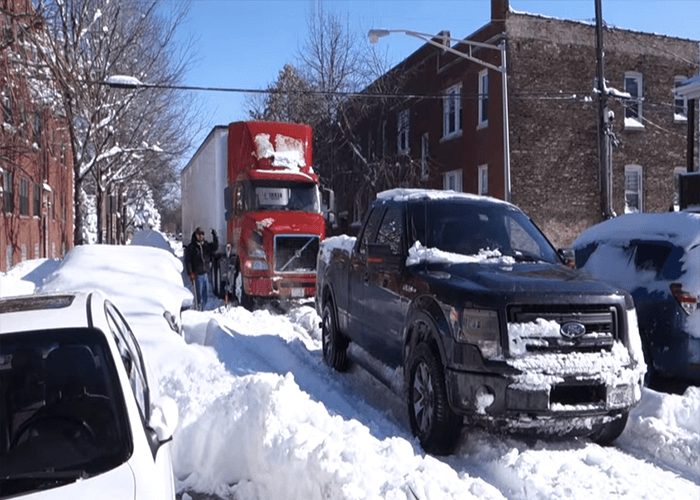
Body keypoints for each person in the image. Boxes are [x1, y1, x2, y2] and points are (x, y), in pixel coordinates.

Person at [184, 227, 218, 310]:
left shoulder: (205, 245)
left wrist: (214, 236)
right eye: (199, 234)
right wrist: (190, 272)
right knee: (198, 295)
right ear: (195, 235)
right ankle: (198, 309)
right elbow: (188, 261)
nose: (201, 236)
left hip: (205, 273)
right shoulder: (192, 247)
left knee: (205, 295)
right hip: (197, 275)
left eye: (202, 234)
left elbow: (215, 247)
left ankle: (203, 309)